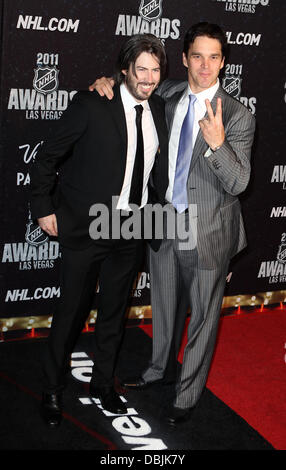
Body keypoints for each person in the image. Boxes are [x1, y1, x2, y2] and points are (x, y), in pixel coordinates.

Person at [90, 22, 256, 425]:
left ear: (223, 62)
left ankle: (187, 396)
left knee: (202, 317)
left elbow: (238, 182)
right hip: (164, 221)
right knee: (163, 306)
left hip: (210, 232)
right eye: (197, 56)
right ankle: (157, 371)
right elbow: (134, 84)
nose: (205, 65)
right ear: (183, 59)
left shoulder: (237, 116)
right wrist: (106, 83)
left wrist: (217, 144)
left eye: (214, 57)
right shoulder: (167, 94)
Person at [30, 33, 169, 427]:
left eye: (155, 70)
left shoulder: (159, 107)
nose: (147, 77)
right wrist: (43, 207)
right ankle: (52, 388)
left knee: (114, 313)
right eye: (140, 68)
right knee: (70, 311)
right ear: (124, 69)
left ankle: (103, 385)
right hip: (88, 224)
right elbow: (48, 157)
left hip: (132, 226)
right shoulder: (93, 103)